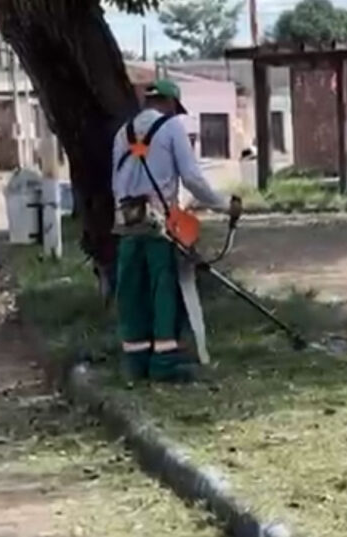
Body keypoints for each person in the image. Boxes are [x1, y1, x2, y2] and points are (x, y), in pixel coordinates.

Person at [111, 79, 241, 383]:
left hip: (127, 223)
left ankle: (135, 363)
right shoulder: (172, 129)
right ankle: (164, 363)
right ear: (169, 104)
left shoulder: (122, 133)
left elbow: (114, 183)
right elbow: (193, 179)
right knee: (163, 289)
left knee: (131, 292)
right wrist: (224, 206)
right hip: (159, 226)